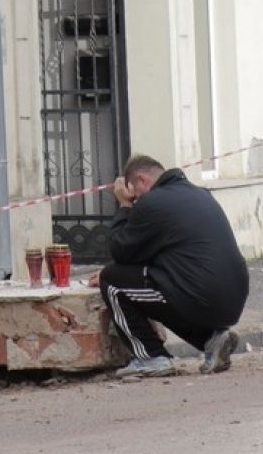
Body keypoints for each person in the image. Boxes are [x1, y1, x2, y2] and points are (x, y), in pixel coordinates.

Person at [91, 153, 249, 380]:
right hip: (233, 296)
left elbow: (120, 250)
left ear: (141, 180)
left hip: (199, 294)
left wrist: (124, 206)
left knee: (112, 280)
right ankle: (211, 340)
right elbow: (156, 252)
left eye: (135, 194)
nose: (136, 201)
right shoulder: (200, 194)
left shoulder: (153, 202)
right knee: (162, 288)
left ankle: (151, 357)